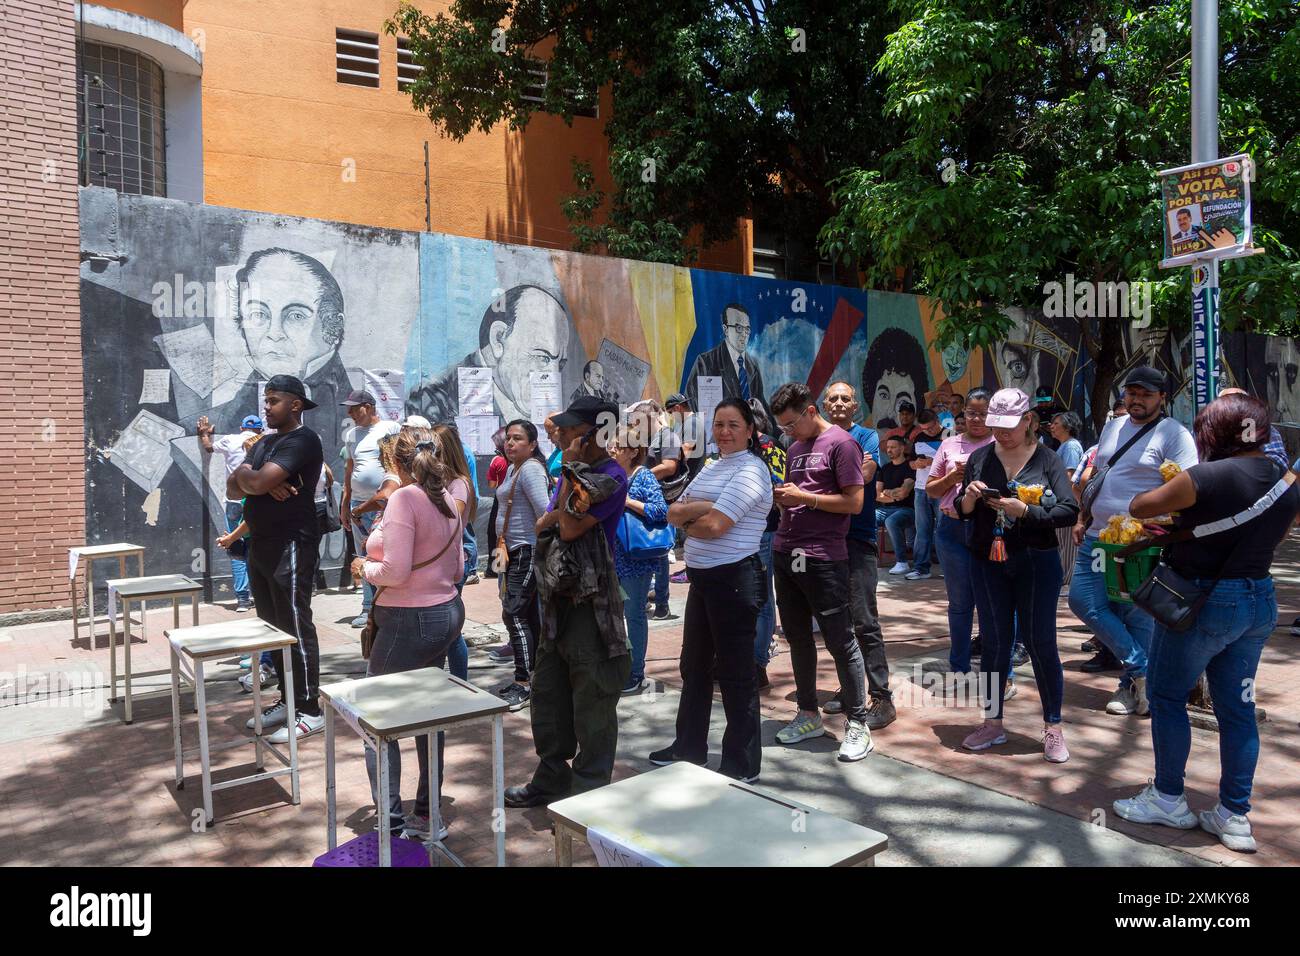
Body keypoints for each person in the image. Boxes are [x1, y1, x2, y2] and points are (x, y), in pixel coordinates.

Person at [1114, 393, 1299, 853]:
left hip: (1204, 602)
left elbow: (1140, 507)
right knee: (1236, 709)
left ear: (1213, 433)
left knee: (1167, 694)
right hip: (1259, 601)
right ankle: (1234, 816)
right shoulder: (1285, 478)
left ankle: (1168, 798)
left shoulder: (1205, 475)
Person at [504, 396, 630, 808]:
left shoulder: (610, 476)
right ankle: (552, 777)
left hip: (592, 606)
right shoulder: (571, 474)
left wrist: (560, 509)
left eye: (573, 427)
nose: (563, 433)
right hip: (556, 599)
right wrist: (559, 511)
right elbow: (548, 521)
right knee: (549, 694)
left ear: (596, 432)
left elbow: (571, 528)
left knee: (593, 698)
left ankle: (590, 790)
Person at [650, 398, 772, 781]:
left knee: (736, 673)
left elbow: (716, 527)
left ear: (750, 430)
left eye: (734, 424)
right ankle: (689, 747)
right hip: (703, 580)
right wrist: (702, 509)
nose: (724, 432)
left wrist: (695, 515)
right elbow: (673, 510)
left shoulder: (752, 471)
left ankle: (741, 763)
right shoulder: (712, 467)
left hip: (735, 581)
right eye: (719, 424)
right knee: (694, 666)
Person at [352, 427, 466, 840]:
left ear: (395, 463)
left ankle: (392, 822)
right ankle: (427, 814)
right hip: (446, 613)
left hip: (409, 619)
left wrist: (364, 568)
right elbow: (457, 570)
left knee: (375, 719)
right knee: (426, 715)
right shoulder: (450, 498)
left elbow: (395, 572)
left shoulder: (404, 498)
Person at [957, 388, 1080, 761]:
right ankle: (993, 722)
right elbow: (962, 509)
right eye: (995, 426)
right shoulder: (979, 457)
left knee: (1040, 641)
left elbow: (1069, 510)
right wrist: (971, 496)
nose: (1001, 434)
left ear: (1029, 421)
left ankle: (1053, 726)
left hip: (1035, 560)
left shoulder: (1048, 460)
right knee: (995, 641)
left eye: (1008, 426)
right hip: (987, 559)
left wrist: (1025, 512)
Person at [1068, 366, 1198, 716]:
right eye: (1132, 393)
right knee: (1084, 601)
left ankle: (1132, 687)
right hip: (1099, 536)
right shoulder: (1114, 426)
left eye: (1146, 394)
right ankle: (1142, 670)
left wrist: (1158, 527)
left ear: (1162, 398)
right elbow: (1099, 476)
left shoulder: (1174, 434)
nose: (1137, 399)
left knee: (1137, 614)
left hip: (1142, 542)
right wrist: (1084, 516)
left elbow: (1186, 485)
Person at [768, 382, 872, 762]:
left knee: (840, 640)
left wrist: (804, 498)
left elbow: (854, 503)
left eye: (792, 424)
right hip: (787, 552)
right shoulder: (795, 447)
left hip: (825, 556)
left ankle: (858, 722)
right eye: (783, 427)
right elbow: (801, 496)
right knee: (797, 638)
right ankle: (808, 713)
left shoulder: (842, 444)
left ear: (812, 411)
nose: (788, 433)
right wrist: (785, 500)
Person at [227, 375, 325, 743]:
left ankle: (310, 709)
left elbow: (251, 484)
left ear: (295, 405)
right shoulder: (267, 442)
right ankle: (288, 699)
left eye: (273, 401)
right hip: (262, 546)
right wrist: (252, 477)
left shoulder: (303, 439)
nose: (266, 407)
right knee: (273, 628)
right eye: (265, 401)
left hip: (292, 545)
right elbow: (235, 486)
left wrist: (254, 480)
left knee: (296, 626)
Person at [821, 382, 894, 729]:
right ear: (823, 405)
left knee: (865, 620)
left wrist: (822, 481)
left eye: (845, 399)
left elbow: (863, 476)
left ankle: (882, 696)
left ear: (855, 407)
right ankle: (851, 688)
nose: (838, 403)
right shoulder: (816, 440)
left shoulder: (866, 438)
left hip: (858, 538)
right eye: (832, 398)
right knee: (838, 621)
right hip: (824, 542)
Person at [408, 284, 575, 426]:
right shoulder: (432, 401)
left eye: (560, 364)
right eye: (542, 357)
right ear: (498, 339)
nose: (552, 375)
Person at [926, 387, 995, 683]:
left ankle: (998, 669)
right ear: (963, 414)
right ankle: (959, 665)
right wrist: (952, 477)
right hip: (951, 529)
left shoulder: (1000, 444)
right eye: (971, 413)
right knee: (959, 601)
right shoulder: (949, 445)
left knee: (992, 599)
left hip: (989, 530)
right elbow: (930, 488)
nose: (977, 419)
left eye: (983, 413)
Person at [488, 420, 551, 709]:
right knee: (525, 614)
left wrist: (538, 549)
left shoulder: (531, 470)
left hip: (527, 550)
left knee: (514, 613)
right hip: (511, 551)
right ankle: (536, 679)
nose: (511, 443)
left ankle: (524, 683)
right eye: (508, 439)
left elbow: (545, 513)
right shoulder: (514, 468)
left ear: (533, 444)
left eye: (518, 439)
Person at [608, 426, 668, 695]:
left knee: (634, 614)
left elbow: (660, 511)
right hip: (613, 557)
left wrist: (628, 501)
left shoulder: (643, 476)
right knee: (617, 614)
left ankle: (636, 672)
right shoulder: (613, 474)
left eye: (618, 446)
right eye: (611, 444)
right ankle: (622, 666)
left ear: (633, 451)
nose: (612, 449)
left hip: (635, 559)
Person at [340, 390, 401, 628]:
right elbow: (349, 470)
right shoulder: (351, 435)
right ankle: (367, 607)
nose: (350, 413)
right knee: (362, 556)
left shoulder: (390, 428)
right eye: (349, 408)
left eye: (355, 408)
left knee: (383, 554)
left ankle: (388, 604)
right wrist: (346, 503)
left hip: (383, 505)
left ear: (369, 406)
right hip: (358, 505)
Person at [199, 413, 264, 612]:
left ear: (241, 427)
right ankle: (260, 596)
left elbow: (209, 448)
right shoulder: (263, 442)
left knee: (236, 548)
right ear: (259, 430)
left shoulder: (230, 440)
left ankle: (243, 600)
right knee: (256, 549)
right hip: (255, 500)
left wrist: (204, 434)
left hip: (234, 501)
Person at [432, 423, 478, 679]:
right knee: (444, 628)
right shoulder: (441, 481)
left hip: (452, 560)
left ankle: (460, 681)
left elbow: (453, 519)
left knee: (451, 630)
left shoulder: (458, 483)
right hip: (442, 561)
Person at [630, 399, 682, 621]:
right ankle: (649, 600)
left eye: (638, 423)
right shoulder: (649, 439)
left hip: (662, 502)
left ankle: (662, 603)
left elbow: (670, 466)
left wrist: (641, 476)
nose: (636, 429)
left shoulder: (668, 437)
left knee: (659, 551)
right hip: (648, 502)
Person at [746, 398, 785, 688]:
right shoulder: (731, 449)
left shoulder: (770, 445)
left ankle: (758, 662)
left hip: (763, 530)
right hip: (734, 532)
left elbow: (779, 487)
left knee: (762, 595)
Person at [684, 303, 768, 416]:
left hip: (749, 431)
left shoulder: (752, 365)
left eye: (747, 329)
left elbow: (761, 405)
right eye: (738, 328)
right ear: (726, 329)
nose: (744, 334)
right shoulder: (705, 363)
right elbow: (692, 404)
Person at [908, 409, 945, 580]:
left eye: (931, 428)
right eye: (924, 429)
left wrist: (932, 462)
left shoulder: (949, 436)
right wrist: (916, 464)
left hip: (941, 487)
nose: (928, 432)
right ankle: (921, 568)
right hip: (920, 488)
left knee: (943, 529)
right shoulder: (918, 438)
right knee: (922, 529)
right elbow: (910, 461)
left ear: (938, 421)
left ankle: (948, 567)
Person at [876, 436, 916, 574]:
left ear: (902, 448)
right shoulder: (885, 468)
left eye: (893, 447)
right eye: (887, 447)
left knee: (891, 521)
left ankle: (902, 562)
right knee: (867, 515)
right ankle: (869, 557)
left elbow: (904, 492)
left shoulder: (910, 466)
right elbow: (877, 495)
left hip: (907, 509)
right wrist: (894, 497)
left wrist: (888, 493)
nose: (889, 450)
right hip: (885, 509)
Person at [484, 429, 508, 578]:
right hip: (511, 499)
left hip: (500, 500)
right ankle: (503, 566)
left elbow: (492, 484)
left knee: (494, 534)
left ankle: (496, 568)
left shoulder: (497, 461)